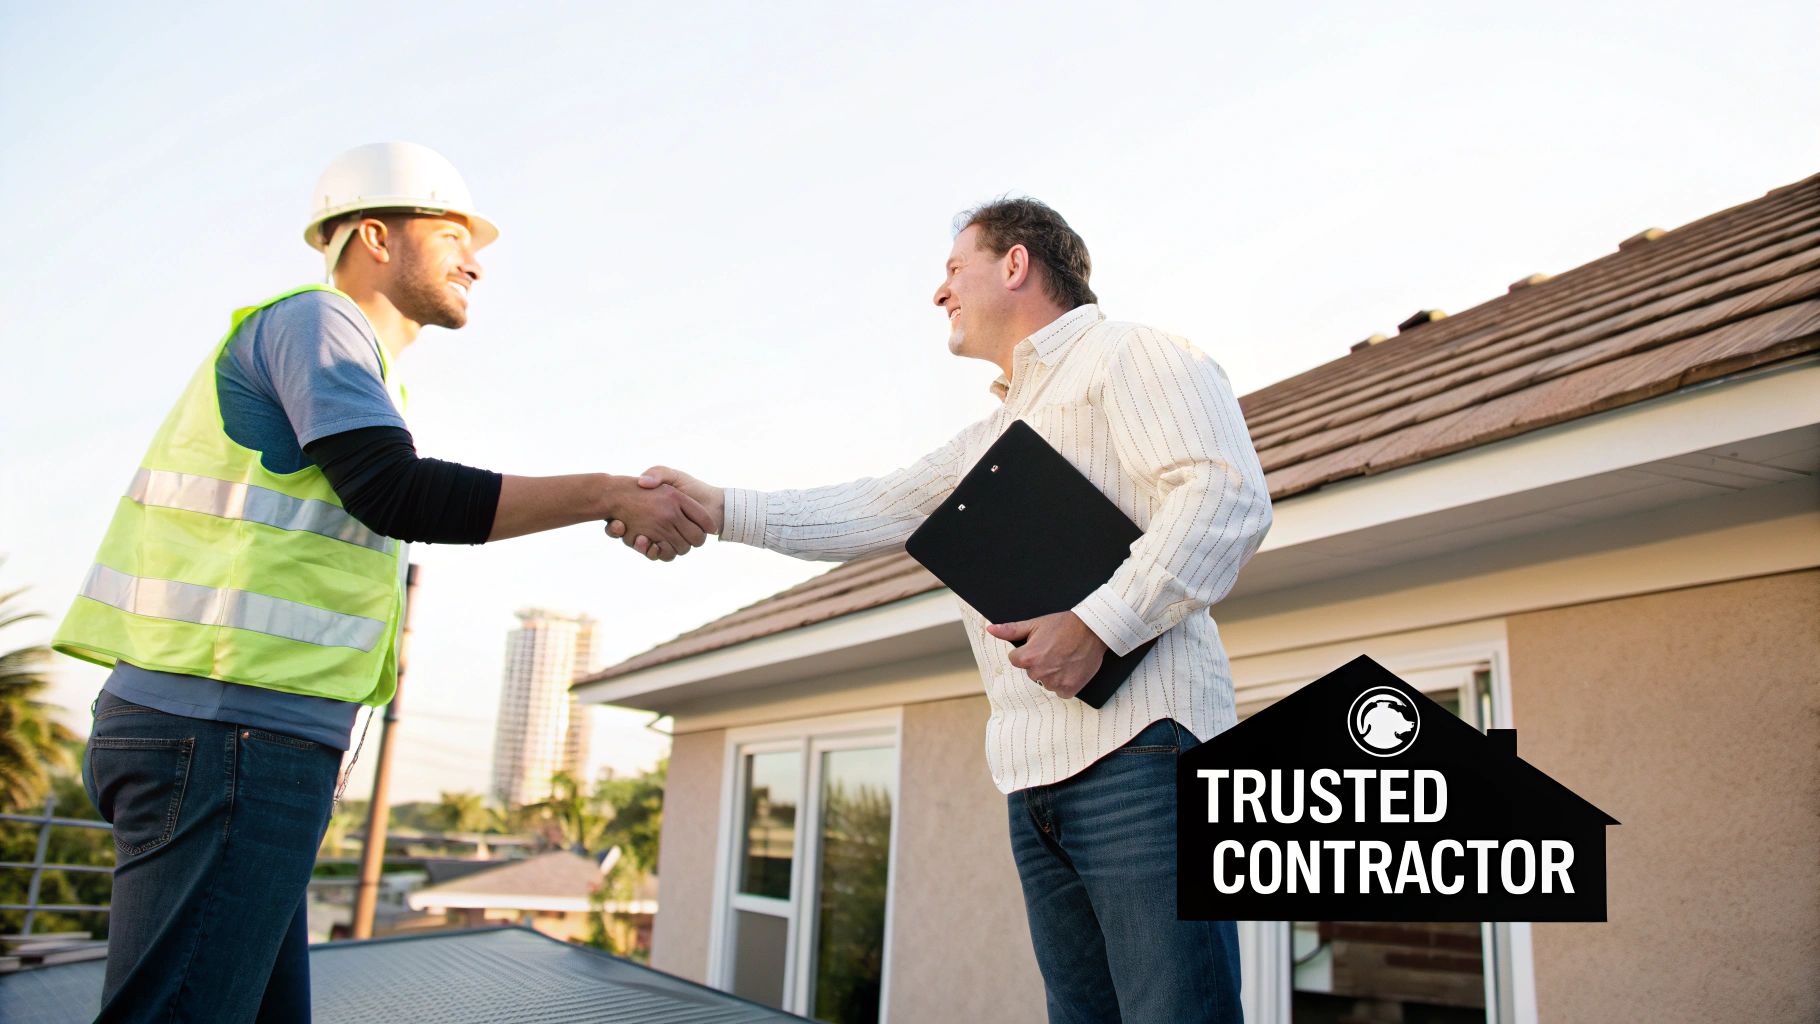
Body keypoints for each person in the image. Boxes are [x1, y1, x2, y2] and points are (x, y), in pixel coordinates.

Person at [53, 142, 714, 1023]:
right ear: (373, 234)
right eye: (451, 235)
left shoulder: (356, 364)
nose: (475, 260)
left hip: (240, 737)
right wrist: (604, 492)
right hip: (228, 735)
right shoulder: (316, 327)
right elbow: (394, 490)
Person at [624, 197, 1272, 1022]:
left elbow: (1226, 498)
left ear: (1015, 264)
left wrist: (1100, 625)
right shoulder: (989, 439)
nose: (939, 294)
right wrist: (715, 508)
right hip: (1034, 782)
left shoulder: (1132, 355)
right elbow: (873, 507)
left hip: (1146, 754)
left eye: (952, 269)